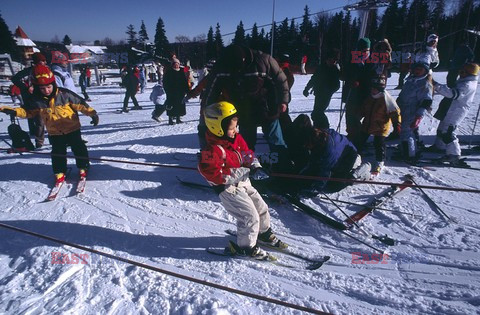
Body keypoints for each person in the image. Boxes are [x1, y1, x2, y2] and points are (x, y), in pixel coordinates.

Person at [198, 101, 284, 259]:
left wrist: (255, 165)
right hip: (228, 190)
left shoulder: (236, 139)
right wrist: (243, 171)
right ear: (217, 127)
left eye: (235, 127)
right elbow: (213, 174)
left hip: (244, 182)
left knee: (261, 207)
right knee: (248, 216)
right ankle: (245, 247)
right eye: (231, 128)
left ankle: (263, 233)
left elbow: (246, 153)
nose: (235, 131)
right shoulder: (212, 150)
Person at [0, 65, 99, 182]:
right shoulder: (36, 100)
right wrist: (14, 111)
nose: (46, 91)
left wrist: (92, 114)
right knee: (58, 152)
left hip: (72, 128)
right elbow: (28, 112)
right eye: (42, 89)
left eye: (49, 87)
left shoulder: (64, 94)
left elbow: (81, 104)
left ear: (53, 84)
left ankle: (83, 166)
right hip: (54, 131)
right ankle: (59, 171)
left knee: (78, 147)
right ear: (37, 88)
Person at [205, 44, 291, 173]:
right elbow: (212, 88)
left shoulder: (264, 60)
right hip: (243, 110)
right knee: (245, 143)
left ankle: (283, 167)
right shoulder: (222, 65)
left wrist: (283, 101)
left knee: (275, 139)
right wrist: (208, 108)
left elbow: (281, 81)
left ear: (244, 59)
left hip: (267, 106)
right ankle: (249, 168)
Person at [288, 114, 371, 195]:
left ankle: (359, 172)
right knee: (314, 171)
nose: (306, 147)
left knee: (334, 186)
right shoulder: (315, 135)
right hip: (337, 154)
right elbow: (312, 163)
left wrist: (315, 189)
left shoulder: (328, 149)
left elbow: (325, 172)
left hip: (349, 156)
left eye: (306, 145)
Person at [428, 63, 479, 162]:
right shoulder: (465, 81)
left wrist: (436, 85)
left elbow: (453, 94)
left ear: (469, 74)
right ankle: (440, 146)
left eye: (463, 72)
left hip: (457, 110)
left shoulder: (467, 84)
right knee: (442, 128)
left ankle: (454, 154)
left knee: (448, 132)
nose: (460, 74)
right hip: (452, 108)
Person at [354, 75, 401, 174]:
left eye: (375, 89)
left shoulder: (386, 100)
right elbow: (364, 109)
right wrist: (358, 116)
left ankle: (380, 162)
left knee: (378, 144)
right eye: (372, 88)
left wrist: (397, 125)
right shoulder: (370, 98)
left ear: (380, 89)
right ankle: (354, 157)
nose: (372, 90)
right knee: (359, 140)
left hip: (381, 126)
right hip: (367, 124)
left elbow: (395, 113)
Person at [396, 62, 433, 161]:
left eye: (420, 70)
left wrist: (419, 116)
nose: (417, 71)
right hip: (404, 109)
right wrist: (397, 104)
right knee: (407, 131)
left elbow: (426, 101)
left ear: (425, 71)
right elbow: (403, 94)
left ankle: (409, 154)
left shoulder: (424, 83)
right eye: (416, 69)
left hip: (413, 111)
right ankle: (407, 149)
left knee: (406, 132)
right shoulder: (410, 80)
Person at [11, 52, 48, 148]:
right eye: (42, 61)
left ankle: (48, 137)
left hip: (43, 97)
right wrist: (24, 87)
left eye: (44, 60)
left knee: (46, 118)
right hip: (30, 98)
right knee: (37, 118)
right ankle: (38, 139)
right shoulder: (29, 71)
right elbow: (15, 78)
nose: (44, 62)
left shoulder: (46, 70)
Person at [342, 38, 375, 140]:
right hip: (352, 93)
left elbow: (374, 77)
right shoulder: (351, 60)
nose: (365, 53)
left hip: (366, 94)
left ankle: (361, 136)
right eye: (362, 50)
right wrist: (350, 79)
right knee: (350, 116)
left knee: (363, 116)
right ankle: (352, 134)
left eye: (367, 51)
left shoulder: (372, 62)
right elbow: (343, 75)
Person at [303, 49, 341, 129]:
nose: (332, 62)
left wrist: (329, 91)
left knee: (318, 113)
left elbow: (337, 85)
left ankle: (324, 128)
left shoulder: (335, 70)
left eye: (334, 61)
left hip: (326, 95)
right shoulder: (321, 68)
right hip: (318, 93)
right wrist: (307, 88)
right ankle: (318, 127)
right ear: (327, 59)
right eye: (330, 60)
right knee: (316, 113)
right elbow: (314, 79)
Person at [163, 58, 189, 125]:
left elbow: (185, 82)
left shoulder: (181, 71)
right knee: (171, 105)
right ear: (172, 65)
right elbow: (165, 82)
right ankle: (170, 119)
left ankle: (178, 118)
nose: (176, 65)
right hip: (171, 92)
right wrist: (167, 90)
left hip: (180, 92)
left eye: (177, 64)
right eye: (175, 64)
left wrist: (187, 90)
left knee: (180, 105)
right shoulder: (169, 72)